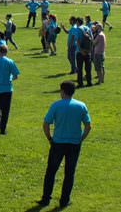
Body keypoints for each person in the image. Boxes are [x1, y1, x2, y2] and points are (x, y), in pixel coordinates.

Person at [39, 80, 91, 208]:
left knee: (51, 171)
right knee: (69, 173)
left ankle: (46, 199)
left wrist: (49, 138)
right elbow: (88, 126)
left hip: (58, 143)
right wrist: (81, 138)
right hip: (74, 143)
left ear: (62, 91)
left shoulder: (56, 105)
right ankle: (64, 200)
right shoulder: (81, 106)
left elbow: (46, 124)